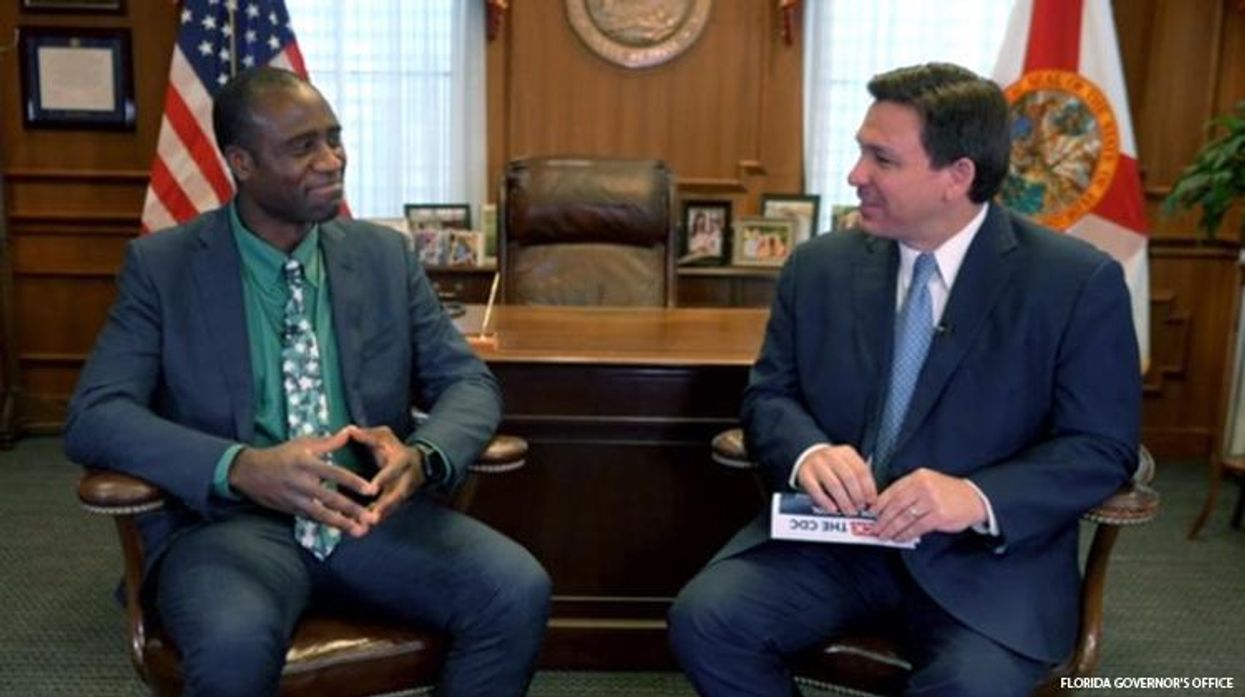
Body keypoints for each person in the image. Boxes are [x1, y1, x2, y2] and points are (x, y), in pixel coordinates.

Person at [64, 66, 550, 697]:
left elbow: (467, 382)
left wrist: (424, 456)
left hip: (371, 515)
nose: (331, 161)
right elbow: (95, 414)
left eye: (334, 138)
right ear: (241, 162)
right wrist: (240, 466)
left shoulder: (382, 257)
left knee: (516, 590)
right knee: (233, 641)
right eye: (302, 147)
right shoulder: (166, 268)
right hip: (231, 529)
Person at [668, 62, 1140, 696]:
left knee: (970, 688)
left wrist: (974, 496)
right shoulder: (819, 267)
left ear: (958, 176)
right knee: (708, 621)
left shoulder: (1074, 283)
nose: (854, 175)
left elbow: (1103, 448)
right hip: (832, 545)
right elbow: (771, 395)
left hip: (984, 568)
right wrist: (808, 452)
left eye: (881, 159)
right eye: (861, 151)